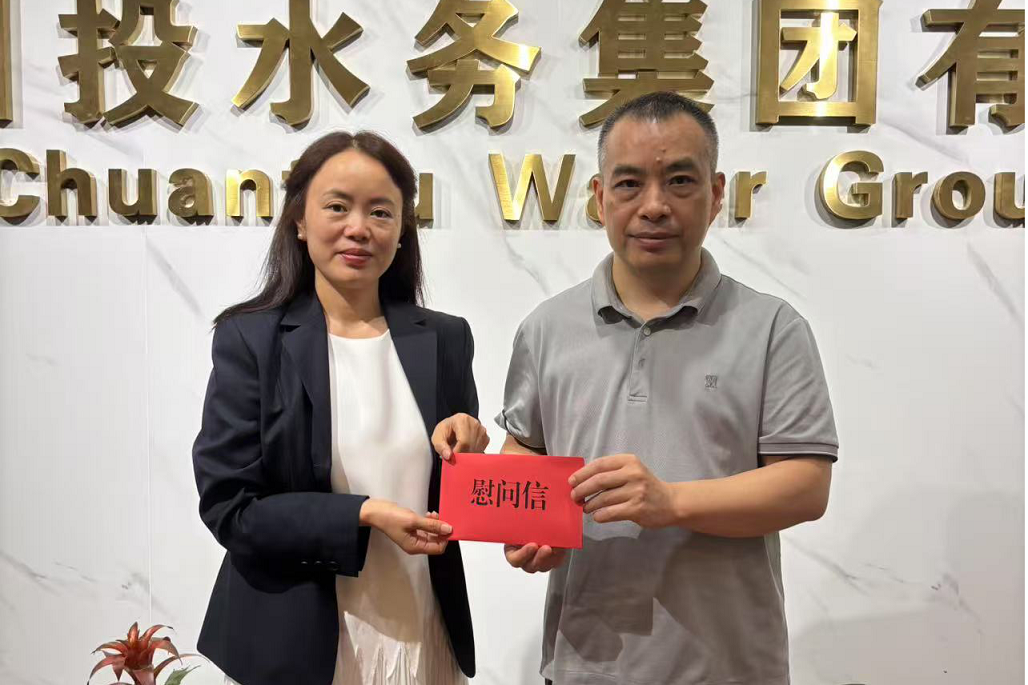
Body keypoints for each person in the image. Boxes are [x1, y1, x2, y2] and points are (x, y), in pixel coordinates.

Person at [497, 92, 839, 685]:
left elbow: (806, 487)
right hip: (583, 667)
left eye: (679, 181)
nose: (654, 206)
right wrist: (526, 524)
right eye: (629, 184)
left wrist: (672, 503)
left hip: (729, 669)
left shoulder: (772, 328)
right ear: (600, 198)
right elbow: (524, 449)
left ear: (716, 194)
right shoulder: (545, 328)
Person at [192, 131, 490, 685]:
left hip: (421, 626)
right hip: (295, 645)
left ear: (401, 231)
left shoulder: (446, 338)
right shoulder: (251, 340)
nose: (359, 228)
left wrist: (470, 444)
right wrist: (363, 514)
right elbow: (231, 509)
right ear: (299, 221)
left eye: (381, 212)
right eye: (337, 207)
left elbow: (458, 486)